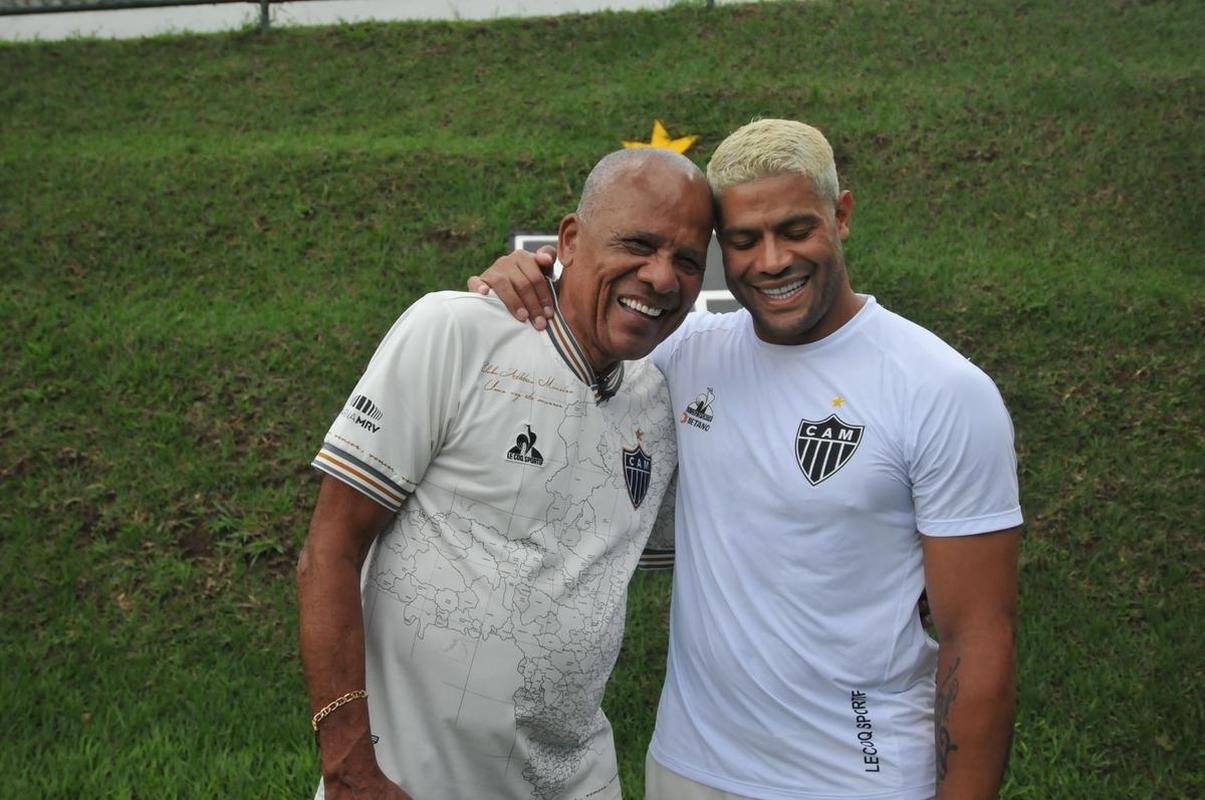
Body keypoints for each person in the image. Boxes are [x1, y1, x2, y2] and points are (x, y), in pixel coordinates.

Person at [472, 119, 1022, 800]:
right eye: (742, 240)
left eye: (795, 230)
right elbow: (579, 328)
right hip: (688, 770)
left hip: (859, 777)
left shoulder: (941, 390)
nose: (770, 261)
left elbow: (978, 634)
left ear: (840, 214)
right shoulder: (684, 355)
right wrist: (514, 281)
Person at [297, 147, 713, 800]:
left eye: (687, 260)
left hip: (579, 781)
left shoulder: (657, 405)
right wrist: (347, 766)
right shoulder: (455, 331)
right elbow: (329, 548)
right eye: (637, 244)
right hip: (409, 784)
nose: (661, 277)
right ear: (569, 240)